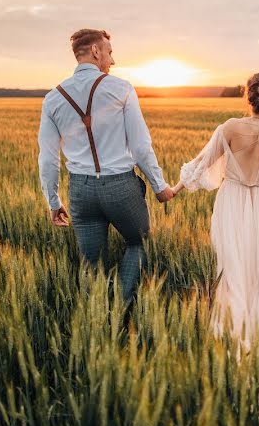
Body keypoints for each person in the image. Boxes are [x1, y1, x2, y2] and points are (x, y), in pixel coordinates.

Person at [170, 72, 259, 373]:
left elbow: (201, 163)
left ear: (248, 96)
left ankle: (228, 351)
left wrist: (173, 190)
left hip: (232, 204)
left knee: (231, 273)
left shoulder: (230, 127)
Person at [38, 28, 174, 305]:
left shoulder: (53, 98)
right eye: (110, 53)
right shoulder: (121, 89)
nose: (113, 61)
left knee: (91, 264)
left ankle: (95, 319)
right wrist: (159, 187)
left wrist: (53, 201)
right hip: (120, 187)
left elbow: (48, 158)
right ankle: (121, 311)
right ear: (96, 51)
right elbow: (140, 146)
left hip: (80, 191)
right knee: (138, 244)